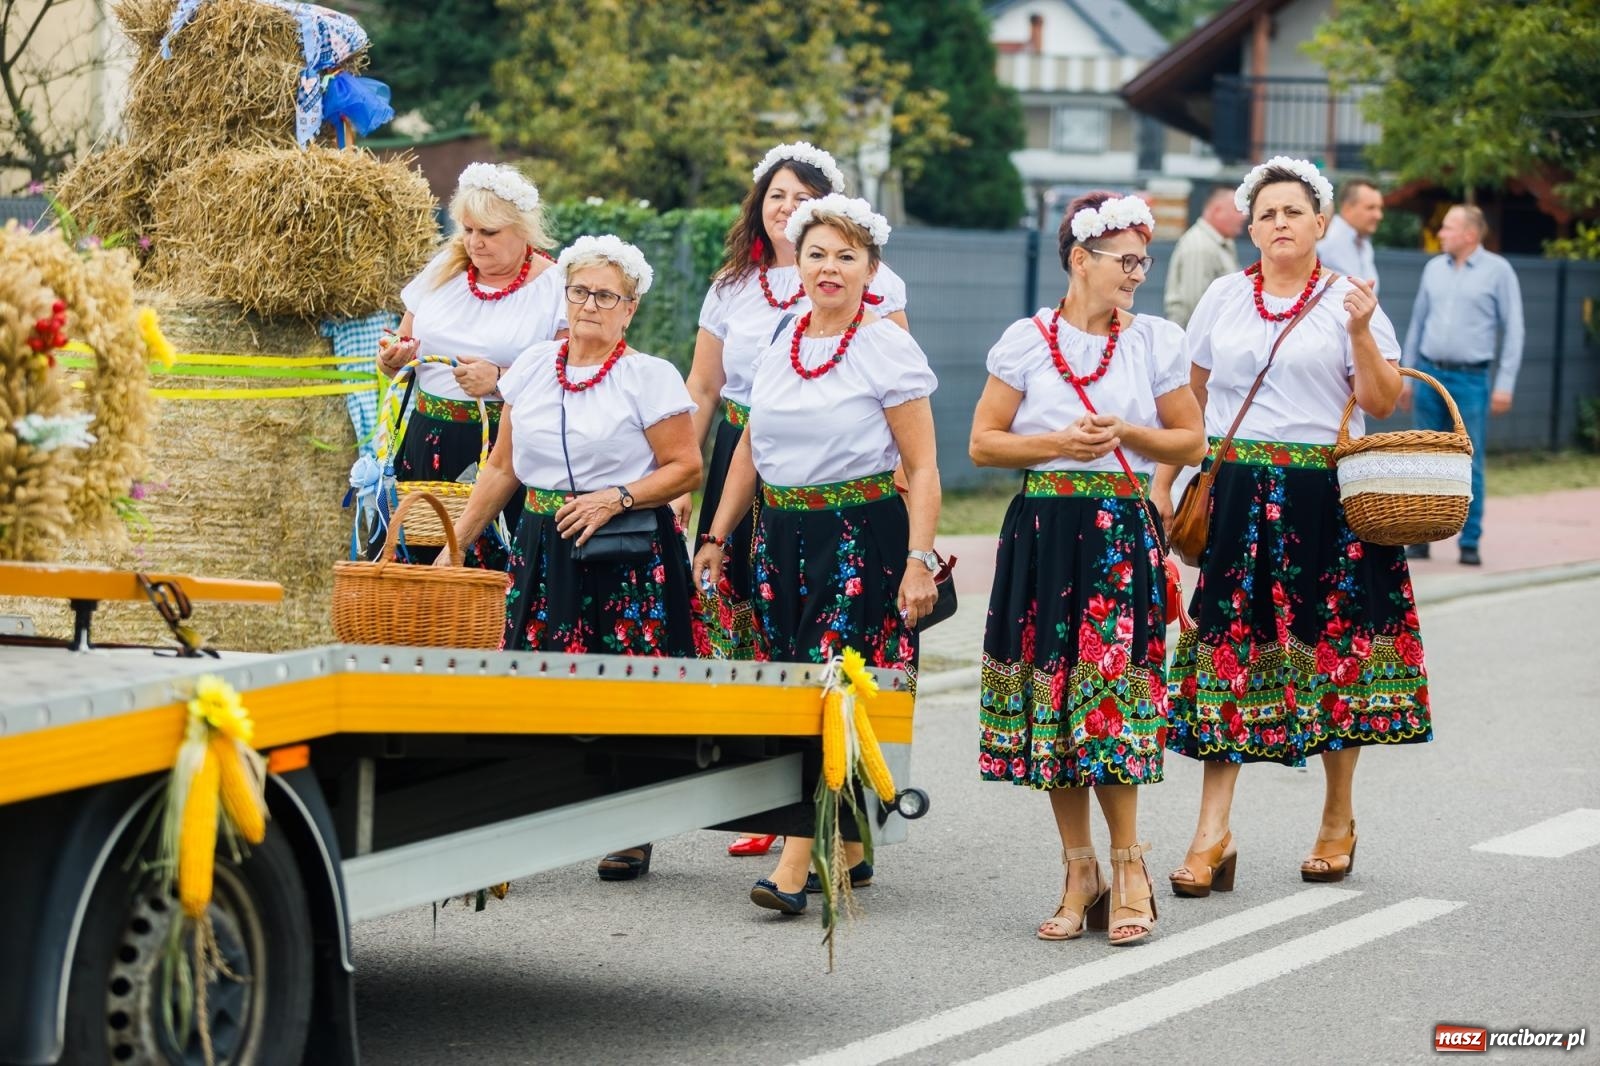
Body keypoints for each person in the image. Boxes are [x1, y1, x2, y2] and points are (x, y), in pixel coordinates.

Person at [1155, 157, 1431, 899]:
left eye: (1292, 211)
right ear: (1250, 228)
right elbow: (1190, 399)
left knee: (1334, 655)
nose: (1279, 223)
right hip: (1238, 495)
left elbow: (1383, 400)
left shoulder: (1351, 298)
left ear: (1321, 223)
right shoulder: (1223, 296)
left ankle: (1337, 818)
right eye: (1266, 213)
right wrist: (1167, 481)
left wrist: (1362, 332)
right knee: (1227, 655)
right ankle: (1212, 834)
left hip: (1326, 499)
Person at [691, 194, 940, 915]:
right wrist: (716, 536)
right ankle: (854, 845)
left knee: (829, 687)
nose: (829, 268)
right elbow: (749, 447)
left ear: (871, 269)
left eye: (846, 256)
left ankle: (797, 861)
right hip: (781, 536)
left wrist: (920, 558)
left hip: (860, 533)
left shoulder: (885, 346)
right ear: (796, 263)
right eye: (817, 254)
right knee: (793, 683)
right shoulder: (781, 338)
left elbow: (923, 466)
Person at [971, 193, 1205, 945]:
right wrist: (1056, 445)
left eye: (1144, 261)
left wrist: (1127, 432)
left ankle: (1130, 864)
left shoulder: (1154, 341)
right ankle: (1081, 871)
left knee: (1110, 701)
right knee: (1053, 703)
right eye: (1126, 260)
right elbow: (983, 442)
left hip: (1116, 536)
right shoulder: (1026, 340)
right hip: (1043, 533)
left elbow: (1192, 441)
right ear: (1080, 259)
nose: (1137, 273)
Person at [443, 234, 708, 882]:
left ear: (630, 308)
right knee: (535, 679)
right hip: (543, 544)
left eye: (606, 296)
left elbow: (686, 467)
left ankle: (629, 827)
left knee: (626, 686)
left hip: (625, 548)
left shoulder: (649, 376)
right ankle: (530, 814)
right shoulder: (534, 366)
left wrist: (616, 497)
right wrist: (456, 546)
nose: (590, 304)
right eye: (580, 291)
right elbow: (502, 466)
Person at [377, 163, 567, 566]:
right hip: (427, 442)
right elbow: (402, 342)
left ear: (523, 230)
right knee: (419, 560)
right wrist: (393, 357)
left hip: (506, 451)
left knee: (498, 568)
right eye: (467, 229)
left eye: (488, 232)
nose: (474, 243)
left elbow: (567, 375)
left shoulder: (556, 287)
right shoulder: (444, 268)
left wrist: (499, 380)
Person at [1399, 204, 1525, 566]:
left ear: (1470, 234)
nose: (1440, 233)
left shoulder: (1499, 271)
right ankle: (1420, 538)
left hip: (1471, 379)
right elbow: (1418, 322)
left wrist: (1505, 384)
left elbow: (1514, 329)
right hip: (1428, 374)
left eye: (1448, 227)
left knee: (1470, 459)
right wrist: (1406, 376)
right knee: (1423, 457)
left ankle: (1470, 542)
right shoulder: (1433, 269)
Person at [1163, 186, 1244, 328]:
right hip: (1200, 338)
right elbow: (1196, 308)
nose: (1244, 216)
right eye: (1237, 210)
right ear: (1217, 211)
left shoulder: (1221, 242)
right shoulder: (1200, 246)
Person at [1317, 178, 1383, 288]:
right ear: (1347, 208)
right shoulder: (1326, 238)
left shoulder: (1364, 243)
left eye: (1380, 208)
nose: (1379, 215)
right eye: (1370, 208)